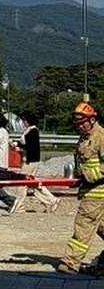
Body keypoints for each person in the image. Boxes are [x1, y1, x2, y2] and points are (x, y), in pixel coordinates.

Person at [56, 101, 104, 274]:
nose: (79, 126)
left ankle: (71, 262)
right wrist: (78, 177)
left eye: (82, 123)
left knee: (83, 225)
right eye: (77, 123)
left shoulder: (100, 137)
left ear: (92, 120)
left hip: (97, 192)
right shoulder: (84, 138)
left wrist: (88, 176)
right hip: (89, 190)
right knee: (101, 227)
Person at [10, 110, 59, 214]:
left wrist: (17, 145)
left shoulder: (32, 131)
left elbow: (29, 146)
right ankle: (51, 200)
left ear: (27, 121)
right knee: (32, 184)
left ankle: (19, 206)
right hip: (29, 160)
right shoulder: (30, 131)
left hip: (30, 161)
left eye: (24, 120)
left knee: (22, 183)